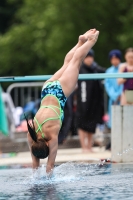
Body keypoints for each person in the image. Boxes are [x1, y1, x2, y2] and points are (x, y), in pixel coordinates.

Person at [26, 29, 100, 174]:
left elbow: (50, 167)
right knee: (67, 63)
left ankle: (91, 41)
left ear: (47, 144)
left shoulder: (52, 137)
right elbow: (34, 165)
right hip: (47, 89)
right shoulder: (31, 136)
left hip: (60, 93)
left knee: (76, 61)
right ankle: (80, 41)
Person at [77, 49, 105, 152]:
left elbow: (105, 71)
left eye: (91, 57)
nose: (89, 59)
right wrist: (84, 103)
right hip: (84, 102)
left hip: (94, 102)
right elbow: (83, 89)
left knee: (91, 124)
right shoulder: (81, 69)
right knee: (82, 123)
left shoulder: (95, 68)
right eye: (87, 57)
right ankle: (83, 147)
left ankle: (89, 146)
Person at [105, 50, 123, 129]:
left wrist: (121, 94)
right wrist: (115, 95)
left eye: (116, 58)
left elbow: (125, 83)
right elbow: (108, 86)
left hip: (123, 97)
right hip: (113, 99)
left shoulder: (123, 68)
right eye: (112, 59)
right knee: (114, 120)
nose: (114, 61)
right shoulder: (108, 71)